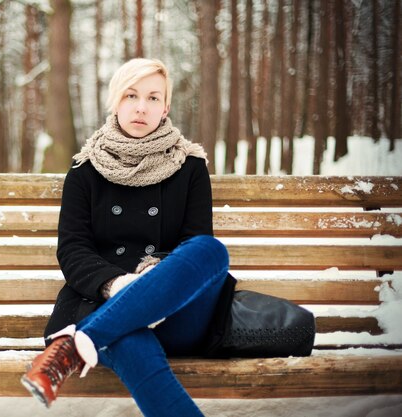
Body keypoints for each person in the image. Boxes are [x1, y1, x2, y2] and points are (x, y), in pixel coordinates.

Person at [21, 58, 235, 417]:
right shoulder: (84, 170)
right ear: (115, 102)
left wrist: (154, 280)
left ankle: (81, 340)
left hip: (175, 310)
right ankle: (97, 330)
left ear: (166, 106)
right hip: (101, 300)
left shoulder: (191, 167)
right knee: (129, 338)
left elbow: (194, 246)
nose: (141, 107)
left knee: (210, 250)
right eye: (131, 95)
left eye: (153, 98)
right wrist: (117, 285)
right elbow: (72, 249)